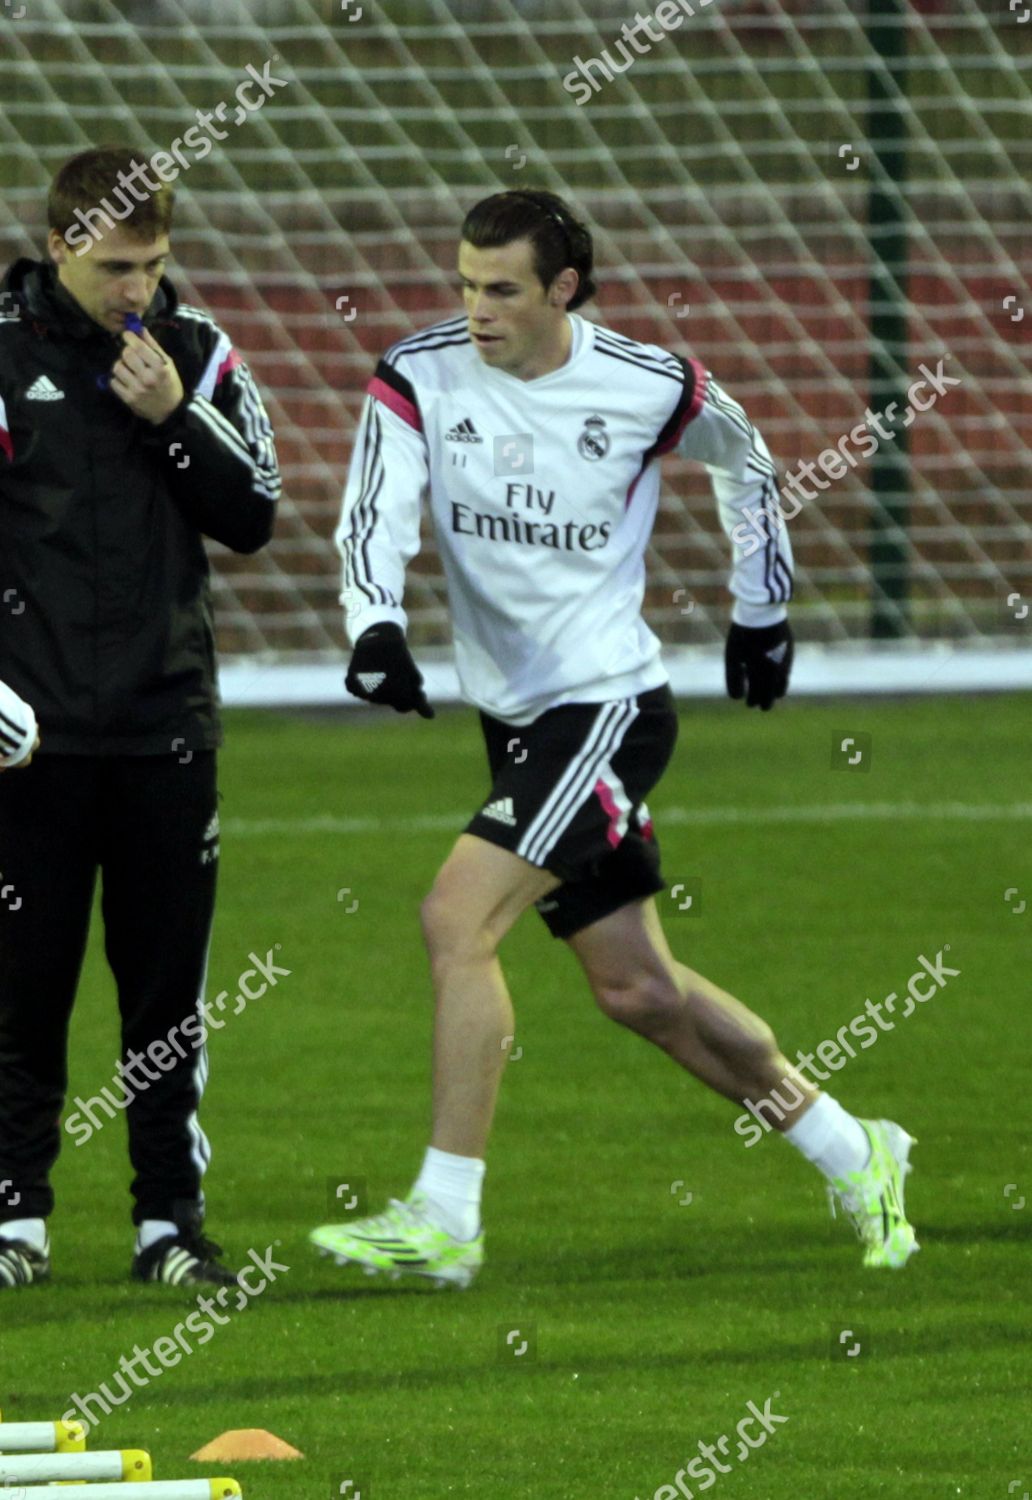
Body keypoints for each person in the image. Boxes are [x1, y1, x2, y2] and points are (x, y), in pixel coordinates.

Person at [311, 189, 916, 1288]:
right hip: (519, 719)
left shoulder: (650, 385)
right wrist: (376, 627)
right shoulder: (419, 374)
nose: (477, 310)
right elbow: (375, 509)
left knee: (455, 919)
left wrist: (761, 611)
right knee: (638, 990)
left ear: (563, 290)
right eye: (465, 284)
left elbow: (747, 460)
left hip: (609, 710)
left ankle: (446, 1212)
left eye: (501, 290)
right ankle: (855, 1147)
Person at [0, 146, 280, 1288]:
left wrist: (174, 417)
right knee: (22, 989)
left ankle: (169, 1223)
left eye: (155, 265)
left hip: (167, 726)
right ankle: (15, 1220)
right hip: (28, 739)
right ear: (61, 242)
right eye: (118, 266)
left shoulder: (198, 353)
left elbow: (254, 511)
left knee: (166, 1001)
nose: (138, 292)